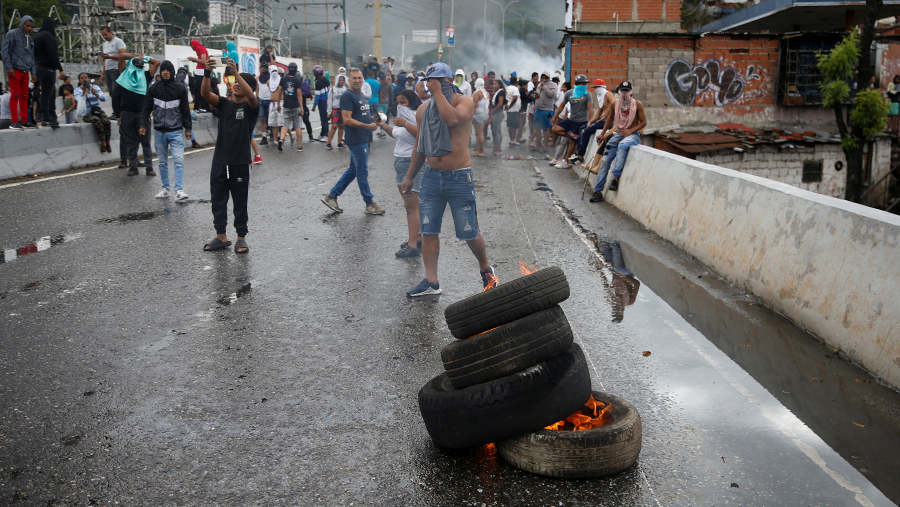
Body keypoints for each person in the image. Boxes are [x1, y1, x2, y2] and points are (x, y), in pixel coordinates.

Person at [401, 63, 498, 296]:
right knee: (428, 229)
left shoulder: (464, 102)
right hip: (432, 177)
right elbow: (419, 146)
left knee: (469, 230)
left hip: (459, 177)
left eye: (438, 82)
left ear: (449, 81)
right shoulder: (423, 110)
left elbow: (453, 120)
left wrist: (436, 93)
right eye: (429, 81)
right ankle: (431, 281)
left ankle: (486, 270)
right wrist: (409, 177)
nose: (433, 85)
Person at [200, 57, 258, 253]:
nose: (235, 85)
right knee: (218, 199)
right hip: (220, 161)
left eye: (240, 82)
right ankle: (221, 236)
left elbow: (251, 95)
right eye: (234, 82)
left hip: (239, 162)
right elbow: (205, 93)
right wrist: (207, 72)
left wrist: (236, 72)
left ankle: (241, 237)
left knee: (240, 200)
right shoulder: (224, 104)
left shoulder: (251, 107)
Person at [320, 67, 386, 216]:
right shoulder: (348, 96)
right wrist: (368, 126)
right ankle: (369, 203)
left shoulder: (360, 95)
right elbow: (348, 119)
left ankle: (332, 196)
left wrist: (375, 119)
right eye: (354, 78)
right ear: (349, 80)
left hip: (363, 137)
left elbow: (362, 115)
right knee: (362, 171)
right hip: (356, 139)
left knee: (353, 170)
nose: (357, 80)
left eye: (359, 78)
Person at [380, 89, 423, 257]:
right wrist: (382, 125)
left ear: (411, 102)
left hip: (411, 163)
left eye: (403, 102)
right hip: (400, 163)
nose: (400, 105)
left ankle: (413, 245)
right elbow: (398, 136)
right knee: (409, 206)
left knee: (412, 207)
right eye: (398, 102)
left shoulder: (414, 116)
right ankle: (416, 238)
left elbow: (421, 135)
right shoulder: (401, 118)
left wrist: (405, 123)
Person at [142, 59, 192, 198]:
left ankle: (179, 190)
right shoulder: (154, 88)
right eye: (163, 70)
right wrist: (142, 125)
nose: (165, 73)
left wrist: (188, 128)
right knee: (162, 162)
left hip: (176, 131)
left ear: (172, 72)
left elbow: (185, 110)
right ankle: (165, 188)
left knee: (178, 160)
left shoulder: (180, 88)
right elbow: (146, 108)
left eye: (167, 70)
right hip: (159, 132)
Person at [590, 81, 646, 202]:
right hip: (619, 134)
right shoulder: (615, 103)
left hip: (633, 135)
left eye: (627, 91)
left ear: (631, 92)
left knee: (623, 145)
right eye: (622, 91)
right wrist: (603, 134)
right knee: (605, 160)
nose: (624, 93)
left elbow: (643, 122)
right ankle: (597, 191)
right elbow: (610, 119)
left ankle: (615, 178)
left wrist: (631, 130)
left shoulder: (637, 104)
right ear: (619, 92)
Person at [118, 53, 160, 176]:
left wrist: (145, 58)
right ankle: (133, 166)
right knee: (130, 142)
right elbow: (121, 57)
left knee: (145, 142)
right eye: (136, 66)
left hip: (142, 114)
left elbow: (156, 62)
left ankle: (149, 167)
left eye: (140, 67)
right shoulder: (124, 76)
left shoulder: (146, 76)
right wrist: (132, 56)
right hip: (127, 113)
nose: (138, 69)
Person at [2, 16, 37, 129]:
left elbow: (32, 57)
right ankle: (14, 121)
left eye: (31, 26)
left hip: (25, 70)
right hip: (14, 69)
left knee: (25, 96)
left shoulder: (30, 39)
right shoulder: (12, 34)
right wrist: (8, 67)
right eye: (27, 25)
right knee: (15, 95)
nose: (29, 28)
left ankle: (24, 120)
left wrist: (33, 72)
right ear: (22, 24)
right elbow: (5, 51)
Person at [550, 74, 592, 169]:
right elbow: (561, 106)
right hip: (571, 120)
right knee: (555, 129)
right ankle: (574, 137)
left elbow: (590, 109)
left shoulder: (587, 94)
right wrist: (555, 117)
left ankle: (566, 161)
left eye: (585, 84)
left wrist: (590, 121)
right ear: (577, 84)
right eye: (582, 83)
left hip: (581, 121)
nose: (584, 85)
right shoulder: (570, 93)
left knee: (571, 142)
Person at [33, 17, 66, 129]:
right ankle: (47, 118)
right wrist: (60, 68)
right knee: (48, 95)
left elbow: (33, 54)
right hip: (48, 68)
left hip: (39, 68)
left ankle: (51, 117)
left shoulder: (36, 36)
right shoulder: (48, 36)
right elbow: (53, 54)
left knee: (50, 93)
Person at [575, 79, 615, 161]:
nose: (596, 89)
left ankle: (581, 154)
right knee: (582, 128)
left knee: (585, 131)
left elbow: (614, 104)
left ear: (603, 87)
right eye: (595, 87)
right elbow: (598, 113)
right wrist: (590, 121)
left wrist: (606, 114)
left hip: (607, 122)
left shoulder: (607, 94)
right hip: (602, 120)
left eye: (598, 87)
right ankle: (578, 151)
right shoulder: (600, 97)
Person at [74, 72, 111, 152]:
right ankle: (103, 142)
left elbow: (103, 98)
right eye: (82, 78)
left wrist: (95, 93)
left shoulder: (95, 87)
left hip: (97, 110)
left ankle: (108, 141)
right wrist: (84, 92)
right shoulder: (77, 90)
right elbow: (79, 100)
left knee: (106, 121)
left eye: (86, 77)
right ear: (79, 80)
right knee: (97, 121)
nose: (84, 79)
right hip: (86, 113)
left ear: (88, 79)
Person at [99, 26, 127, 120]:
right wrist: (102, 74)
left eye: (106, 34)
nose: (104, 36)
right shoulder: (105, 44)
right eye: (103, 35)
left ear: (110, 32)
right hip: (108, 69)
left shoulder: (118, 42)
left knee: (116, 92)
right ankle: (115, 111)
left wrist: (110, 57)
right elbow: (105, 60)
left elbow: (123, 55)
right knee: (111, 92)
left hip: (116, 69)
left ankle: (120, 112)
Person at [276, 62, 305, 152]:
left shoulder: (283, 79)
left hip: (286, 105)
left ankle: (281, 139)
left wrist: (278, 104)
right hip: (295, 105)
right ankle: (299, 146)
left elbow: (279, 92)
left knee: (285, 124)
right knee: (298, 126)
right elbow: (299, 94)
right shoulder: (297, 80)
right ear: (296, 70)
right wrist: (302, 107)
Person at [530, 71, 556, 152]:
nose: (544, 79)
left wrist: (544, 86)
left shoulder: (553, 85)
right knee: (537, 127)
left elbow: (552, 94)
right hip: (538, 109)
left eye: (546, 78)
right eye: (543, 77)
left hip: (547, 110)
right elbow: (537, 94)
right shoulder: (539, 84)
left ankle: (545, 147)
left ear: (548, 78)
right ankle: (537, 145)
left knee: (545, 128)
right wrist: (535, 96)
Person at [327, 72, 348, 149]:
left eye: (342, 80)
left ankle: (339, 143)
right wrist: (329, 112)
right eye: (340, 80)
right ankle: (329, 143)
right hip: (335, 109)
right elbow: (329, 101)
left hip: (343, 110)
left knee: (341, 126)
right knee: (334, 126)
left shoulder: (345, 90)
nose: (341, 82)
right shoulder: (332, 89)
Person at [471, 78, 489, 157]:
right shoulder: (486, 93)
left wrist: (471, 116)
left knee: (479, 133)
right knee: (480, 133)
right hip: (485, 114)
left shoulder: (477, 93)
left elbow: (475, 106)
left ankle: (480, 151)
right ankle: (479, 150)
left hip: (478, 115)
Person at [312, 65, 330, 141]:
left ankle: (325, 135)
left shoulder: (318, 82)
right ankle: (323, 133)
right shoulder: (326, 80)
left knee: (323, 119)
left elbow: (317, 96)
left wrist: (314, 106)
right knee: (325, 118)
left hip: (322, 102)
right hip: (327, 101)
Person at [488, 79, 506, 155]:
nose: (493, 85)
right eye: (493, 84)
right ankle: (497, 147)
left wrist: (493, 111)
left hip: (498, 113)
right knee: (497, 130)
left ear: (499, 85)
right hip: (496, 113)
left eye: (495, 84)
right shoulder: (497, 92)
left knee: (496, 131)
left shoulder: (501, 92)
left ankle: (498, 148)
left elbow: (500, 104)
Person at [257, 63, 273, 146]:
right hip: (261, 100)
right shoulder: (258, 78)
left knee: (269, 120)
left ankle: (271, 135)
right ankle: (264, 137)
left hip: (269, 100)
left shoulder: (271, 78)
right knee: (262, 119)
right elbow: (257, 90)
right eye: (261, 68)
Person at [506, 77, 521, 146]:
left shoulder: (507, 88)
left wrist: (508, 106)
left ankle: (511, 139)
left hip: (509, 110)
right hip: (514, 110)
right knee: (514, 126)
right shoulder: (515, 89)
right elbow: (515, 98)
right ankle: (513, 140)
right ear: (516, 82)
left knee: (510, 125)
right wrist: (510, 105)